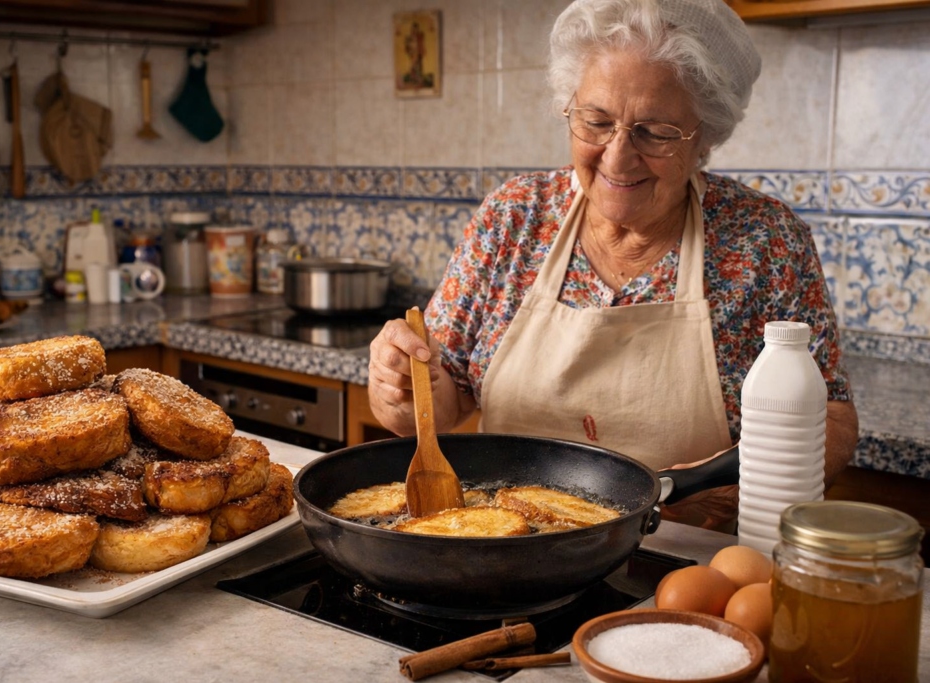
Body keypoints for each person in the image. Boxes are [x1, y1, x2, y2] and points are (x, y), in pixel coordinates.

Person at [368, 0, 858, 530]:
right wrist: (401, 387)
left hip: (687, 551)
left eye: (656, 132)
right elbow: (439, 403)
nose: (618, 157)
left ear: (705, 134)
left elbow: (830, 418)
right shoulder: (514, 218)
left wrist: (737, 493)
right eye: (597, 122)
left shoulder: (765, 240)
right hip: (509, 545)